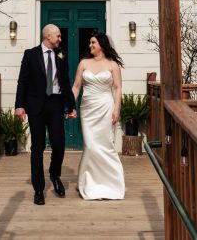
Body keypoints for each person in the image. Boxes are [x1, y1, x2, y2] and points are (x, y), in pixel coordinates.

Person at [15, 24, 77, 205]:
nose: (60, 39)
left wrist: (71, 106)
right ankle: (39, 189)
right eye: (58, 36)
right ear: (48, 36)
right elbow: (22, 81)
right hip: (36, 106)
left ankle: (55, 174)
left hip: (56, 103)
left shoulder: (61, 54)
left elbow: (65, 81)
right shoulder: (30, 54)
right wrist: (20, 105)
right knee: (38, 146)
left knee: (59, 143)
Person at [71, 32, 125, 200]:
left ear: (102, 44)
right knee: (91, 145)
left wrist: (116, 109)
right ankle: (89, 183)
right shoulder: (83, 63)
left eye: (93, 42)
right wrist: (69, 106)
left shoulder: (113, 66)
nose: (90, 45)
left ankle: (112, 184)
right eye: (90, 43)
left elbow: (117, 88)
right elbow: (76, 87)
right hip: (88, 109)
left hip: (105, 107)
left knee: (106, 145)